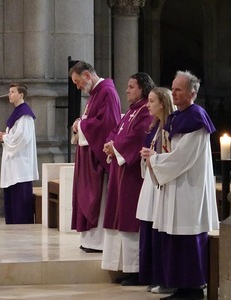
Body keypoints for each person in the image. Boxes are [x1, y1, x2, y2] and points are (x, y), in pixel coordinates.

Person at [141, 70, 219, 300]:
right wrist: (154, 155)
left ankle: (193, 288)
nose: (173, 93)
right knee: (174, 235)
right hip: (175, 184)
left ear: (192, 93)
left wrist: (154, 160)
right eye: (173, 88)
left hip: (189, 187)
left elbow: (183, 157)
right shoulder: (178, 117)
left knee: (187, 234)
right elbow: (170, 150)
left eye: (178, 89)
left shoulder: (197, 118)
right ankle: (179, 285)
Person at [101, 72, 155, 285]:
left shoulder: (145, 112)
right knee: (118, 216)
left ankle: (136, 270)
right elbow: (115, 131)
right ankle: (123, 266)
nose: (127, 90)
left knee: (130, 218)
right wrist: (109, 144)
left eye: (131, 86)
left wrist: (115, 147)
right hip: (120, 171)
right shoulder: (131, 112)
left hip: (132, 175)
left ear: (142, 88)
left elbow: (137, 137)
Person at [69, 61, 121, 252]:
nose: (77, 86)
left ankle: (98, 243)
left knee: (99, 199)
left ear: (87, 76)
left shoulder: (106, 91)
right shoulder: (96, 94)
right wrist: (81, 123)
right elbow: (91, 121)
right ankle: (90, 241)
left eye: (78, 81)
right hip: (89, 157)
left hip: (98, 159)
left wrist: (81, 125)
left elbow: (106, 124)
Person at [136, 87, 176, 295]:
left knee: (158, 229)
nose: (148, 104)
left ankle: (162, 277)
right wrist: (147, 157)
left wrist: (153, 157)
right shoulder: (155, 126)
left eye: (151, 101)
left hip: (162, 184)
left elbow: (169, 155)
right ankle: (153, 275)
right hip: (151, 182)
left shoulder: (170, 126)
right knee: (149, 227)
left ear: (162, 103)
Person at [0, 83, 39, 224]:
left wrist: (5, 138)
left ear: (21, 95)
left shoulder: (25, 114)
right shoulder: (17, 112)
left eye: (12, 92)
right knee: (12, 201)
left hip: (21, 165)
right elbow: (15, 134)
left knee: (20, 202)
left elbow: (23, 137)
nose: (9, 94)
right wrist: (5, 136)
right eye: (9, 92)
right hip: (14, 165)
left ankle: (21, 228)